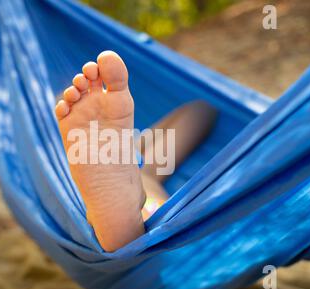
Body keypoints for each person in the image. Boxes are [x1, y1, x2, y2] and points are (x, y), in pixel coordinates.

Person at [55, 51, 217, 252]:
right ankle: (126, 226)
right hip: (140, 178)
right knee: (201, 110)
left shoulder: (127, 150)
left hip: (135, 167)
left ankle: (126, 223)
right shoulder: (117, 160)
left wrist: (126, 144)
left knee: (201, 108)